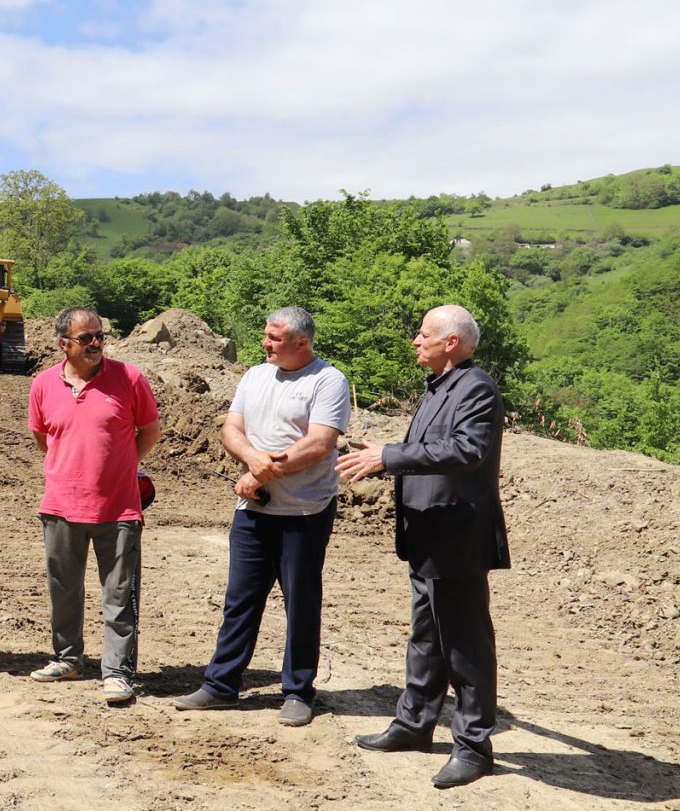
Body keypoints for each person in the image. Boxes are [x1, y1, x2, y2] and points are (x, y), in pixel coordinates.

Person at [336, 305, 508, 789]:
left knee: (466, 646)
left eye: (423, 334)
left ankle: (473, 748)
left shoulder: (475, 388)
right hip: (431, 535)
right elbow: (431, 448)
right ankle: (414, 725)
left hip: (458, 538)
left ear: (450, 342)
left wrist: (389, 457)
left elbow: (466, 451)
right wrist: (384, 451)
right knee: (427, 637)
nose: (415, 340)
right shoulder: (441, 386)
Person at [173, 307, 350, 726]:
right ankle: (220, 685)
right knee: (240, 600)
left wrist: (262, 472)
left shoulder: (328, 381)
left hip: (305, 511)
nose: (264, 343)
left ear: (301, 343)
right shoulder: (254, 375)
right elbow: (231, 429)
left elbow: (319, 444)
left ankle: (298, 691)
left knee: (301, 603)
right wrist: (254, 463)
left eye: (273, 337)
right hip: (253, 510)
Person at [26, 308, 162, 705]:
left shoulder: (129, 378)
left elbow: (149, 430)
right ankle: (67, 658)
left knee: (119, 593)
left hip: (118, 507)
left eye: (100, 335)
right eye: (86, 338)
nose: (96, 344)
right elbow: (43, 437)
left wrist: (122, 467)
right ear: (63, 344)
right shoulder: (42, 385)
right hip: (60, 506)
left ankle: (117, 672)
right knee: (63, 588)